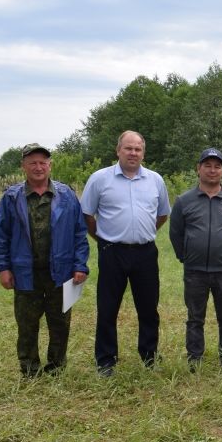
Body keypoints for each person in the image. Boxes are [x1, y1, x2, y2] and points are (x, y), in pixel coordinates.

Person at [0, 144, 90, 377]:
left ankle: (57, 366)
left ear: (50, 165)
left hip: (62, 271)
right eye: (32, 162)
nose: (38, 167)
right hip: (25, 272)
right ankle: (30, 369)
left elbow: (79, 233)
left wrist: (80, 265)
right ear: (23, 166)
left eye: (43, 162)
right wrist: (3, 267)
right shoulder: (11, 197)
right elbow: (0, 235)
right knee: (26, 324)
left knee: (60, 323)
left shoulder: (66, 195)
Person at [81, 130, 171, 376]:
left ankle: (149, 355)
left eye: (138, 149)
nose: (133, 153)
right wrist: (100, 239)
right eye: (128, 148)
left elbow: (163, 213)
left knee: (148, 309)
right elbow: (87, 214)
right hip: (112, 252)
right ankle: (106, 360)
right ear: (118, 150)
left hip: (145, 253)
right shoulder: (100, 179)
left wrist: (144, 232)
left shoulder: (155, 180)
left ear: (143, 153)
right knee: (108, 308)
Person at [169, 148, 222, 374]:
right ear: (198, 168)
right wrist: (186, 257)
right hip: (194, 271)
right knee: (195, 318)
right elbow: (176, 234)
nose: (213, 170)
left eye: (217, 166)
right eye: (208, 165)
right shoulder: (184, 201)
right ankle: (195, 360)